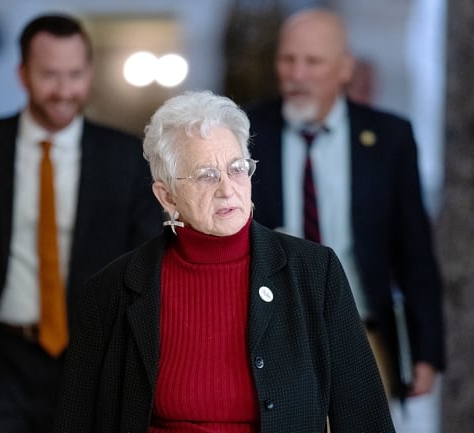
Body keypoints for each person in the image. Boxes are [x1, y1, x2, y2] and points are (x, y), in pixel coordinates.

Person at [53, 90, 395, 433]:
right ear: (167, 195)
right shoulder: (112, 290)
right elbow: (75, 420)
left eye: (237, 169)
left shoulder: (314, 273)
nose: (227, 190)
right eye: (206, 175)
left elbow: (364, 417)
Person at [0, 14, 161, 433]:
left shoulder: (129, 158)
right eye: (49, 75)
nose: (64, 90)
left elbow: (147, 275)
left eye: (75, 74)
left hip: (92, 361)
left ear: (90, 73)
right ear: (22, 74)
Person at [245, 8, 445, 431]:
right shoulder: (245, 131)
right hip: (268, 337)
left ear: (344, 68)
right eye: (288, 59)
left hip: (362, 335)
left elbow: (415, 252)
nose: (297, 74)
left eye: (313, 62)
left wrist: (427, 351)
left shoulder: (389, 138)